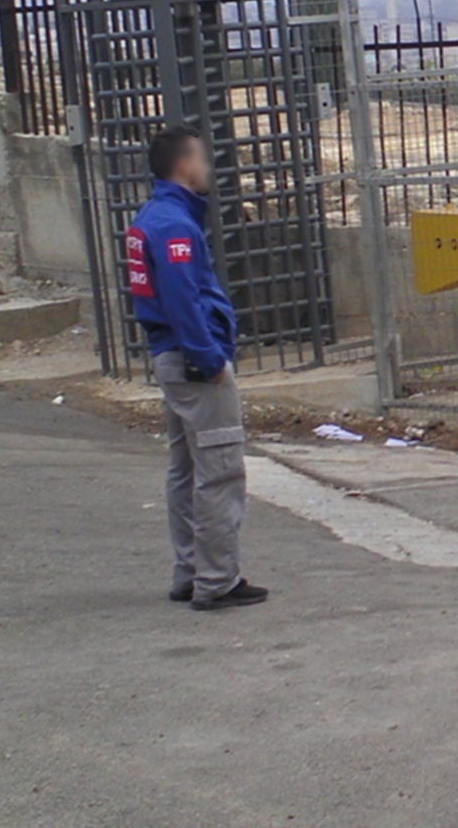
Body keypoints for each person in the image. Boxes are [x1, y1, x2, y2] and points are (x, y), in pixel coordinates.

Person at [130, 125, 266, 611]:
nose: (209, 168)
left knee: (185, 468)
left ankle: (190, 571)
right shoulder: (176, 226)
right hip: (193, 361)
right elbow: (184, 300)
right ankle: (216, 580)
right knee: (220, 468)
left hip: (171, 358)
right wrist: (210, 359)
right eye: (203, 160)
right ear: (184, 164)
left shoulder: (154, 216)